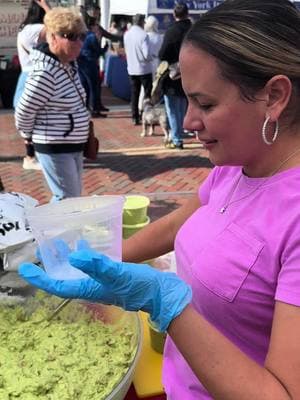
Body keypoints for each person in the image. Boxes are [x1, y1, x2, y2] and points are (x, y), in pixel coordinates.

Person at [19, 0, 300, 399]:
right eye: (188, 100)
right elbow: (175, 224)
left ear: (273, 96)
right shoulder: (237, 164)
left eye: (206, 104)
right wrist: (103, 266)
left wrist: (167, 304)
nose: (186, 122)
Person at [15, 7, 90, 202]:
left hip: (70, 144)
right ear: (52, 37)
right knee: (66, 198)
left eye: (81, 36)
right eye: (71, 36)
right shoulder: (45, 72)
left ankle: (65, 231)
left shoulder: (68, 65)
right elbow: (24, 111)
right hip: (55, 144)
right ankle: (58, 232)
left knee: (71, 196)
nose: (79, 42)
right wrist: (30, 136)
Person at [13, 0, 50, 170]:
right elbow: (57, 27)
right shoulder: (34, 29)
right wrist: (47, 7)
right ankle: (31, 157)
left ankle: (32, 156)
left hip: (27, 75)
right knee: (34, 118)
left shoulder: (25, 30)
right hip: (33, 76)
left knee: (31, 118)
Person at [159, 3, 191, 149]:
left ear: (174, 14)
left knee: (172, 109)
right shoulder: (193, 29)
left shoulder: (172, 31)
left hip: (173, 74)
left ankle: (177, 139)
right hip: (189, 72)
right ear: (187, 13)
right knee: (182, 106)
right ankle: (181, 132)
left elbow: (162, 54)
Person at [124, 14, 153, 126]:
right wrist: (152, 57)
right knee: (147, 94)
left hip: (132, 68)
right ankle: (146, 115)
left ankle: (135, 116)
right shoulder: (143, 35)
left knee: (134, 93)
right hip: (144, 69)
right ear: (141, 22)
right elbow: (146, 54)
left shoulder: (127, 34)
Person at [78, 16, 108, 118]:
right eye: (96, 25)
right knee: (93, 86)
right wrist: (105, 48)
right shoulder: (91, 36)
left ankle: (86, 108)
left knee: (85, 87)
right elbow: (98, 51)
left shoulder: (82, 35)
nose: (98, 27)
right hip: (90, 63)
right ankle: (95, 109)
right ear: (92, 26)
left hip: (81, 63)